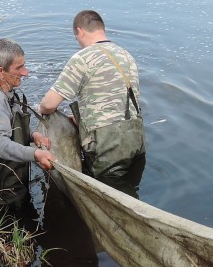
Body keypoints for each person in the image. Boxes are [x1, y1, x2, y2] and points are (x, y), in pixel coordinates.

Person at [38, 10, 145, 184]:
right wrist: (82, 120)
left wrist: (40, 109)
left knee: (105, 194)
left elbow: (49, 104)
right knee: (129, 191)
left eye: (76, 37)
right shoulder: (126, 56)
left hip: (107, 147)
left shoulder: (83, 58)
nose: (78, 42)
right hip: (136, 140)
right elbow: (116, 102)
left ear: (80, 31)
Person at [0, 38, 56, 214]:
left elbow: (8, 128)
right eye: (19, 68)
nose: (25, 72)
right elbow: (0, 144)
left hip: (12, 186)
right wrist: (36, 154)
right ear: (0, 72)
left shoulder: (6, 92)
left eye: (24, 66)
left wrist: (32, 135)